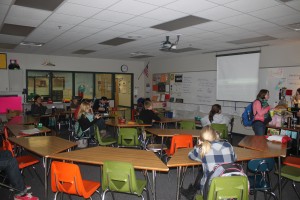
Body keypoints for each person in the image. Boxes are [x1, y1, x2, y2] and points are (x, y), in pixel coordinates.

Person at [181, 126, 236, 200]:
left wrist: (199, 145)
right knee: (207, 170)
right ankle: (191, 192)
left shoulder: (202, 149)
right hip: (233, 188)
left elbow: (190, 155)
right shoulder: (228, 145)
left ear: (201, 139)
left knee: (205, 171)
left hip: (211, 191)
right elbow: (234, 158)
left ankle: (191, 193)